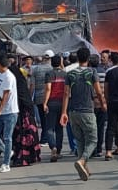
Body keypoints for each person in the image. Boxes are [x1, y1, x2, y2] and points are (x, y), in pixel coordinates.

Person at [60, 46, 105, 182]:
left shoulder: (70, 74)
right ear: (88, 58)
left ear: (78, 58)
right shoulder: (92, 72)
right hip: (87, 111)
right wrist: (103, 104)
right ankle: (82, 160)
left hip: (73, 111)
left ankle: (84, 167)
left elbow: (66, 93)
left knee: (80, 140)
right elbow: (98, 91)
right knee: (93, 139)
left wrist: (64, 112)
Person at [0, 49, 19, 174]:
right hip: (0, 111)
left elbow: (6, 95)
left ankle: (6, 164)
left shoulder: (9, 77)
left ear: (0, 65)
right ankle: (7, 151)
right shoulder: (0, 76)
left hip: (10, 112)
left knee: (7, 137)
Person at [10, 57, 42, 167]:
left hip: (22, 116)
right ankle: (25, 158)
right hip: (25, 115)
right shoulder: (21, 83)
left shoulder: (16, 84)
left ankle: (21, 158)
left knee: (21, 138)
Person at [43, 55, 66, 161]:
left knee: (49, 128)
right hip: (62, 103)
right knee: (59, 128)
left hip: (52, 102)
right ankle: (59, 150)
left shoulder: (49, 74)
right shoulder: (65, 74)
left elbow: (48, 88)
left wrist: (45, 103)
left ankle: (53, 147)